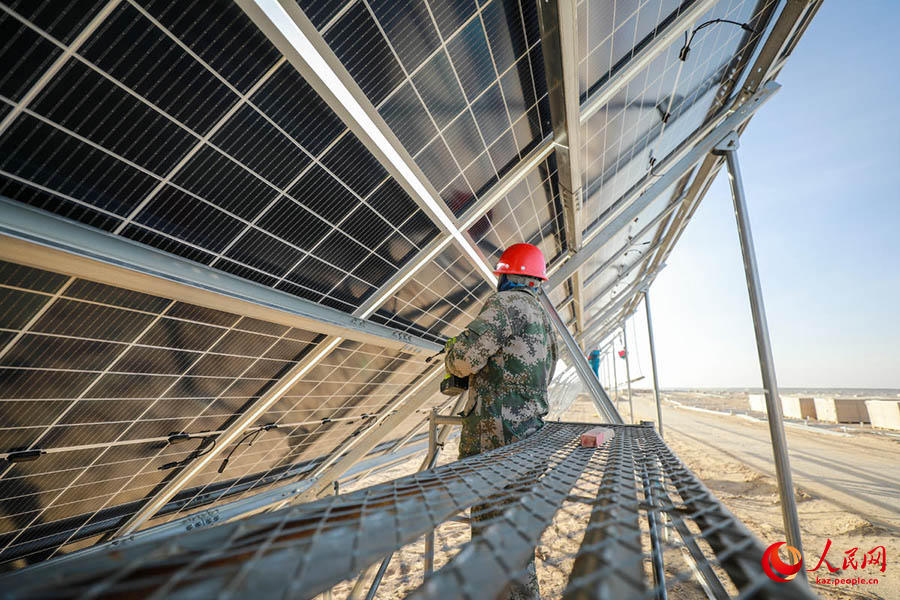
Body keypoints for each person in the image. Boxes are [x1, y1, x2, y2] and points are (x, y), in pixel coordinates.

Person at [443, 243, 558, 600]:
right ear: (537, 279)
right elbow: (540, 373)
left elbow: (463, 358)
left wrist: (451, 353)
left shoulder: (507, 305)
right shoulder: (543, 318)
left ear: (507, 274)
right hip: (528, 439)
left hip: (496, 444)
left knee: (495, 540)